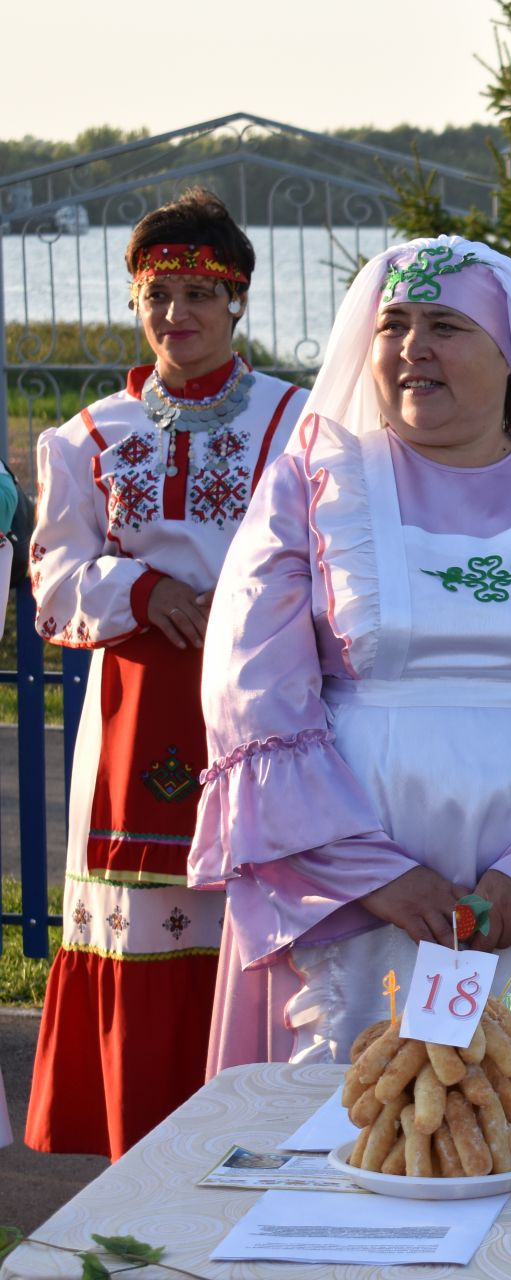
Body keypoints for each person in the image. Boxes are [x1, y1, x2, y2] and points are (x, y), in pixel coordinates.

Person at [187, 235, 511, 1074]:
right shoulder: (317, 482)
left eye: (446, 324)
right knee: (358, 1128)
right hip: (355, 885)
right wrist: (371, 874)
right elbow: (253, 693)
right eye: (395, 325)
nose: (414, 347)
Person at [25, 189, 307, 1158]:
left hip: (263, 708)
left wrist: (234, 600)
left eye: (197, 293)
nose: (176, 315)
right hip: (136, 718)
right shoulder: (89, 437)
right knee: (144, 927)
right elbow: (55, 583)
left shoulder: (299, 423)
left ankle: (264, 1147)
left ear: (236, 303)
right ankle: (136, 1159)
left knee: (257, 927)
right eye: (158, 295)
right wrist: (144, 591)